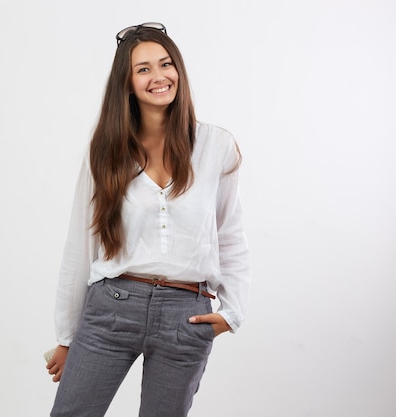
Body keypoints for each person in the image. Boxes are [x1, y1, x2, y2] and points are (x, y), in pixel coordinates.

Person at [46, 22, 250, 417]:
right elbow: (79, 244)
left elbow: (230, 236)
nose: (159, 76)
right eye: (143, 69)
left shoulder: (216, 146)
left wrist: (231, 313)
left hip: (184, 315)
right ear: (127, 82)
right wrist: (67, 337)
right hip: (112, 307)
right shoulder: (105, 151)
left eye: (166, 64)